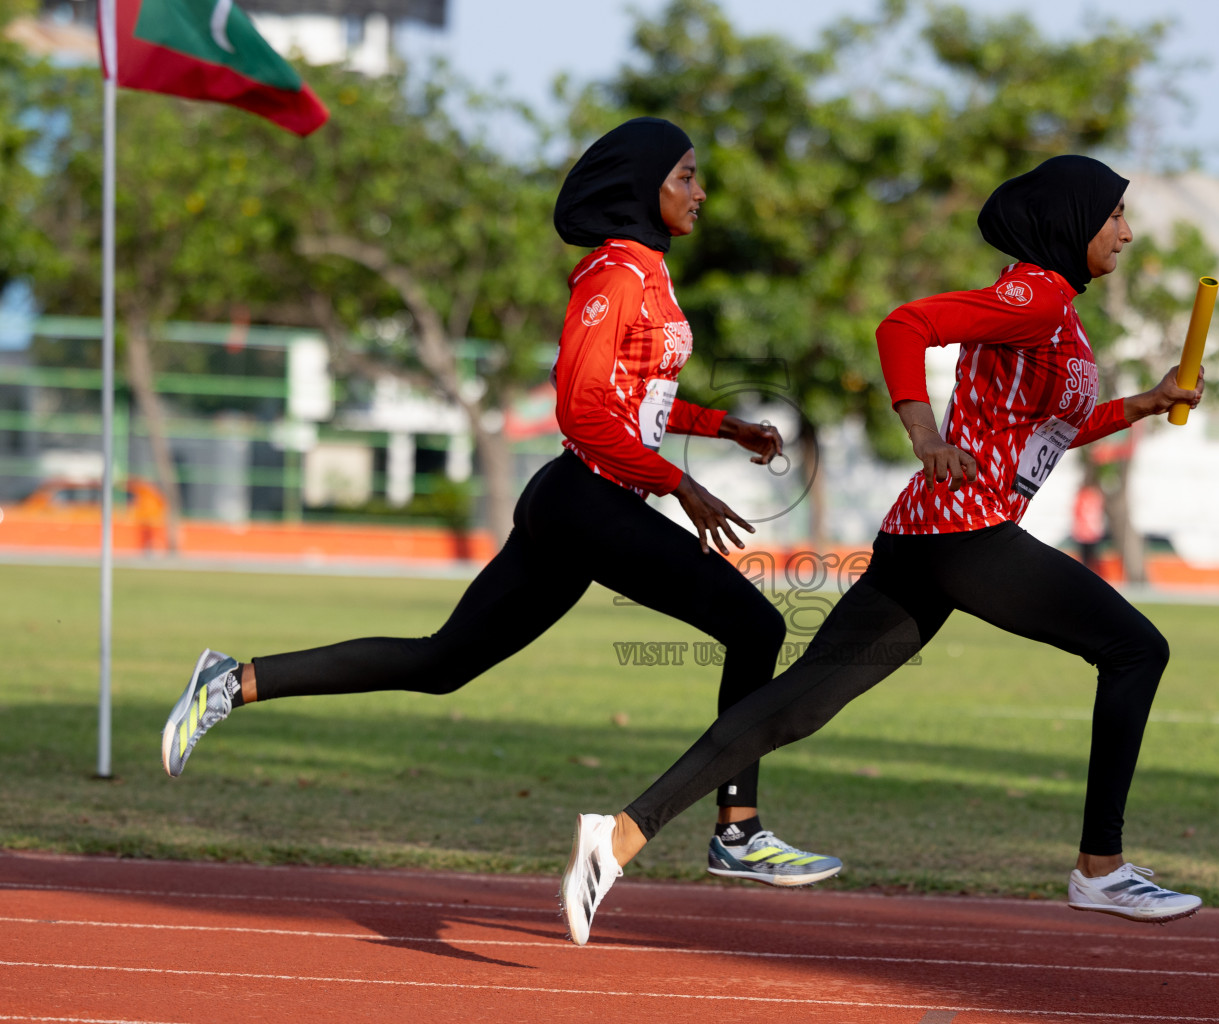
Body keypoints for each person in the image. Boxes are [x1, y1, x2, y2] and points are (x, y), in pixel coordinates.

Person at [160, 117, 843, 900]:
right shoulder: (614, 274)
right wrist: (680, 484)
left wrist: (724, 427)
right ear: (642, 186)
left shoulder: (651, 271)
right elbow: (583, 410)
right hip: (584, 500)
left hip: (583, 506)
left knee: (443, 663)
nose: (701, 191)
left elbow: (636, 399)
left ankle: (231, 681)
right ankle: (737, 831)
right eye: (686, 176)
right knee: (753, 625)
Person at [560, 155, 1206, 944]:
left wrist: (1145, 403)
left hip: (929, 538)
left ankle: (618, 835)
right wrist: (924, 433)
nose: (1128, 233)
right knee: (1136, 648)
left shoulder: (1058, 311)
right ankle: (1101, 871)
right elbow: (904, 326)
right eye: (1114, 218)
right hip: (965, 532)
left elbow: (1045, 430)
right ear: (1073, 221)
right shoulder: (1035, 293)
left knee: (798, 705)